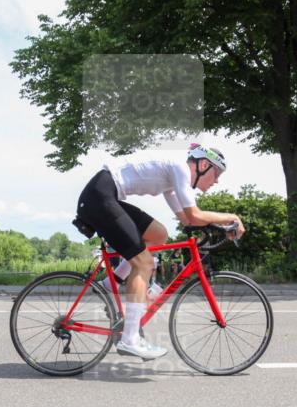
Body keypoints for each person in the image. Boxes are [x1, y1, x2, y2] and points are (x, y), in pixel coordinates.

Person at [75, 143, 243, 360]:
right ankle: (130, 340)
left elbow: (185, 219)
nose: (217, 180)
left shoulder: (172, 180)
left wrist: (220, 227)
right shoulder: (180, 169)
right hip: (99, 197)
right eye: (217, 173)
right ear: (203, 165)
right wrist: (232, 217)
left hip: (104, 194)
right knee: (143, 263)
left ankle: (111, 283)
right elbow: (194, 216)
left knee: (158, 234)